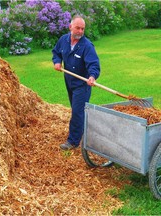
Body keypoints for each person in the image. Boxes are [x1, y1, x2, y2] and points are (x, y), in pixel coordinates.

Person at [52, 15, 100, 150]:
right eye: (78, 28)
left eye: (82, 29)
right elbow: (56, 52)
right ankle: (85, 130)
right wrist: (57, 61)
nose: (80, 31)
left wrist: (92, 76)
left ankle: (73, 141)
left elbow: (93, 64)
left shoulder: (87, 46)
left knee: (77, 112)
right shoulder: (63, 40)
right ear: (70, 27)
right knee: (77, 109)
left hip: (82, 84)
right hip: (69, 81)